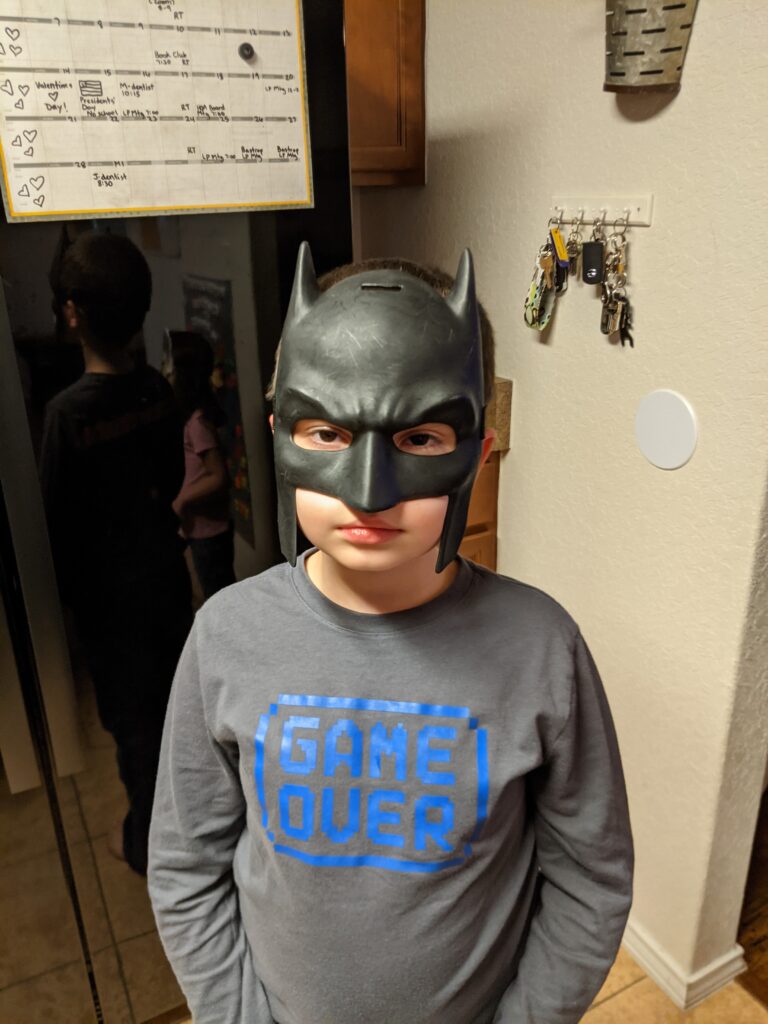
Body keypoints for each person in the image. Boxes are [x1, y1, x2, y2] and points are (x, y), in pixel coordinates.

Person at [148, 244, 634, 1023]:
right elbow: (185, 865)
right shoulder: (225, 638)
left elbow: (591, 877)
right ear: (280, 432)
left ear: (477, 451)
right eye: (327, 434)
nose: (369, 494)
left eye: (420, 439)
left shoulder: (543, 648)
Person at [40, 231, 193, 876]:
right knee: (178, 715)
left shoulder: (65, 416)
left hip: (111, 609)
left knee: (135, 732)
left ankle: (146, 847)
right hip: (165, 582)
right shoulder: (157, 391)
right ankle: (188, 830)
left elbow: (56, 528)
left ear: (72, 312)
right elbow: (172, 478)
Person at [163, 330, 235, 601]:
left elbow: (218, 476)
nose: (165, 372)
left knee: (219, 599)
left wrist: (182, 500)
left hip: (210, 532)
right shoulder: (192, 419)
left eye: (170, 366)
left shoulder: (197, 423)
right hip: (200, 529)